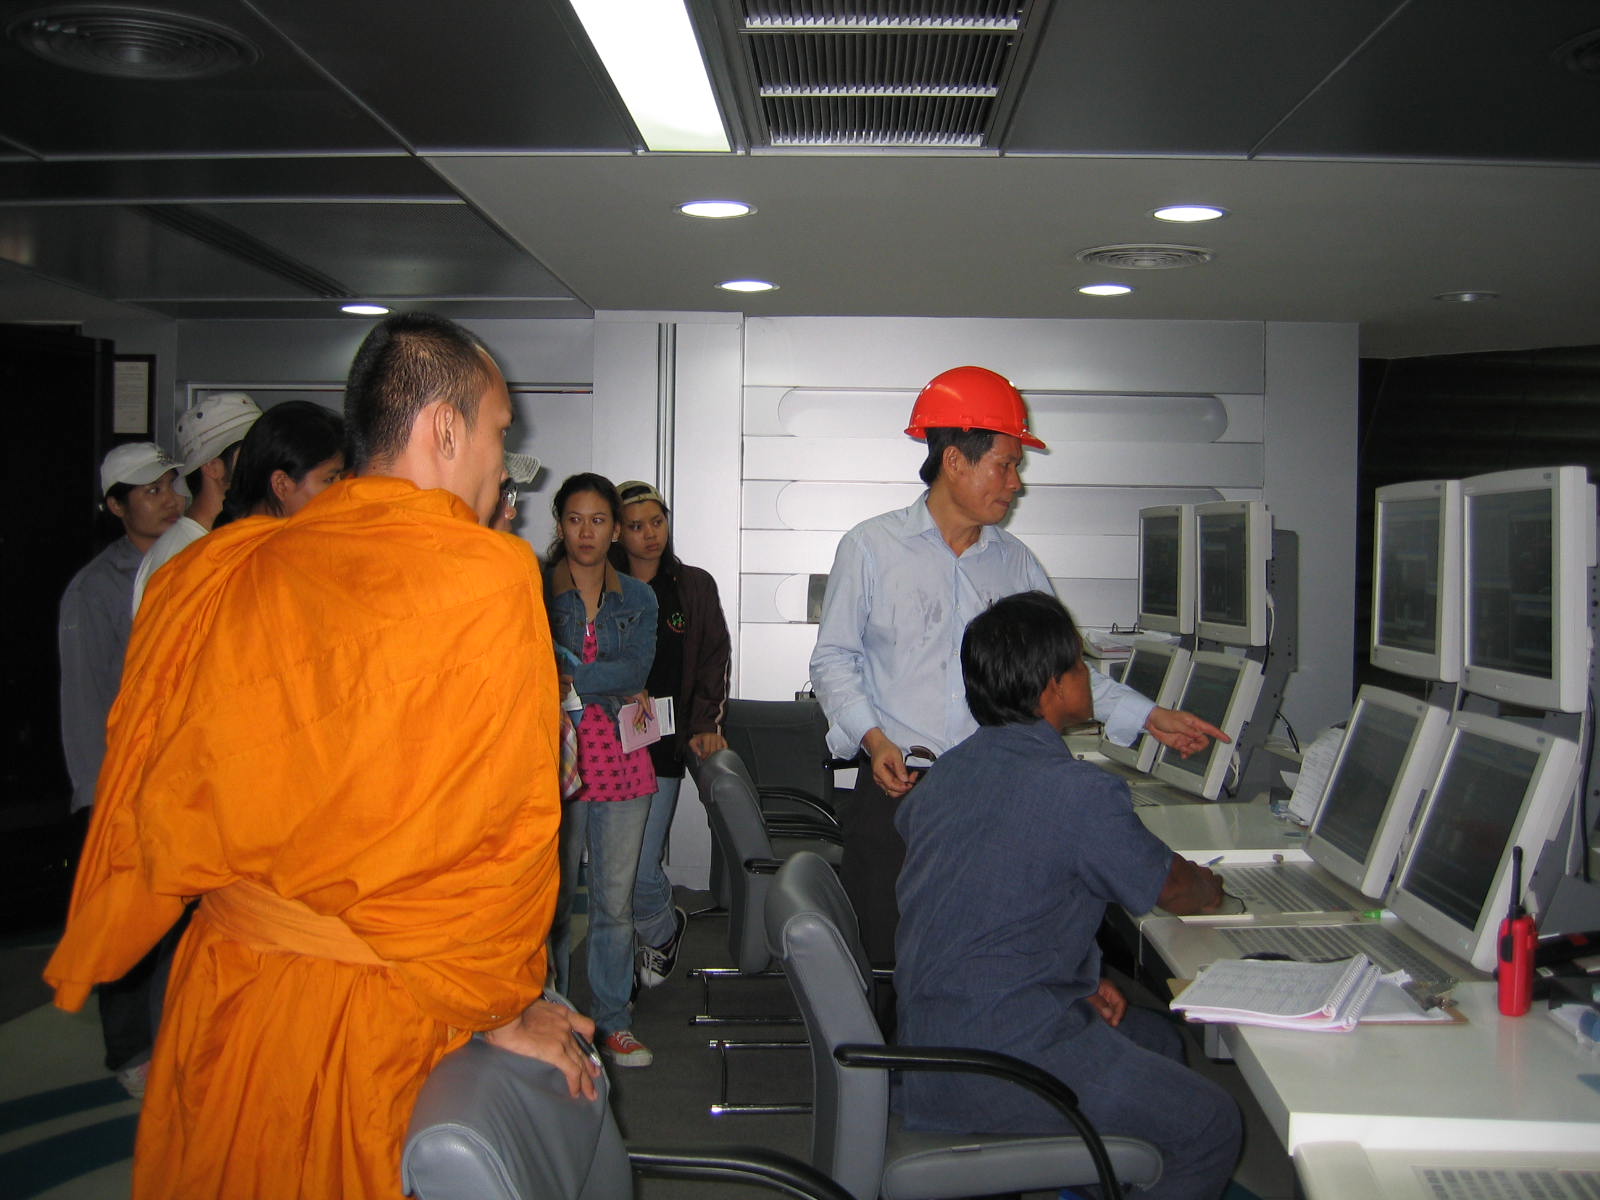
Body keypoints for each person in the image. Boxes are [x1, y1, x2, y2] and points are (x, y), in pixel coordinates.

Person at [45, 312, 596, 1200]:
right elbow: (501, 838)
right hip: (375, 1013)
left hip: (227, 991)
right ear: (444, 428)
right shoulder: (484, 575)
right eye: (500, 432)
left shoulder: (224, 569)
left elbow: (157, 793)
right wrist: (500, 1003)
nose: (503, 463)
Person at [809, 364, 1228, 969]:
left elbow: (1058, 670)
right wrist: (874, 740)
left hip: (998, 803)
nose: (1016, 483)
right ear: (956, 460)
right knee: (889, 964)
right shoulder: (871, 548)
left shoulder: (1016, 564)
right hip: (899, 793)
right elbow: (834, 659)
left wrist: (1149, 717)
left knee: (991, 961)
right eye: (1005, 465)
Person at [894, 591, 1241, 1200]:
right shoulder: (1077, 792)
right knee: (1211, 1124)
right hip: (1001, 1059)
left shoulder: (947, 773)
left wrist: (1078, 979)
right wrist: (1214, 886)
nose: (1087, 676)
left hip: (932, 1039)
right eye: (1080, 666)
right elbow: (1176, 890)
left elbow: (989, 897)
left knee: (1158, 1038)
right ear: (1053, 688)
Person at [57, 441, 184, 1096]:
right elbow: (83, 700)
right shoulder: (94, 590)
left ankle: (175, 1037)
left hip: (177, 781)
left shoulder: (187, 561)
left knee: (175, 923)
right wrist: (96, 796)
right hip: (120, 784)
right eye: (150, 491)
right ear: (116, 506)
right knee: (125, 921)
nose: (168, 500)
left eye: (169, 485)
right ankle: (130, 1049)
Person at [545, 473, 660, 1067]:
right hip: (554, 760)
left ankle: (614, 1021)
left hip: (621, 758)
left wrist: (568, 672)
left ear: (615, 529)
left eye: (597, 521)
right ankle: (556, 1021)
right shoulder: (536, 590)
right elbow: (531, 668)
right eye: (574, 520)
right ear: (559, 525)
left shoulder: (638, 598)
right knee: (554, 904)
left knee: (614, 903)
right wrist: (600, 679)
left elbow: (634, 671)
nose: (585, 533)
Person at [610, 480, 731, 990]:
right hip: (604, 742)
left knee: (639, 865)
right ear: (618, 533)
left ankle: (661, 929)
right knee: (611, 870)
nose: (650, 534)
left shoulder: (692, 585)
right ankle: (621, 964)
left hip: (661, 740)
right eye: (636, 526)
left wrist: (704, 724)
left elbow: (712, 658)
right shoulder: (602, 585)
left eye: (656, 522)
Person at [131, 391, 261, 613]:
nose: (266, 464)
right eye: (251, 454)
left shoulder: (228, 540)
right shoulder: (180, 558)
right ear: (212, 467)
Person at [213, 400, 347, 528]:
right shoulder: (235, 543)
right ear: (281, 484)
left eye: (340, 479)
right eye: (329, 479)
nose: (342, 491)